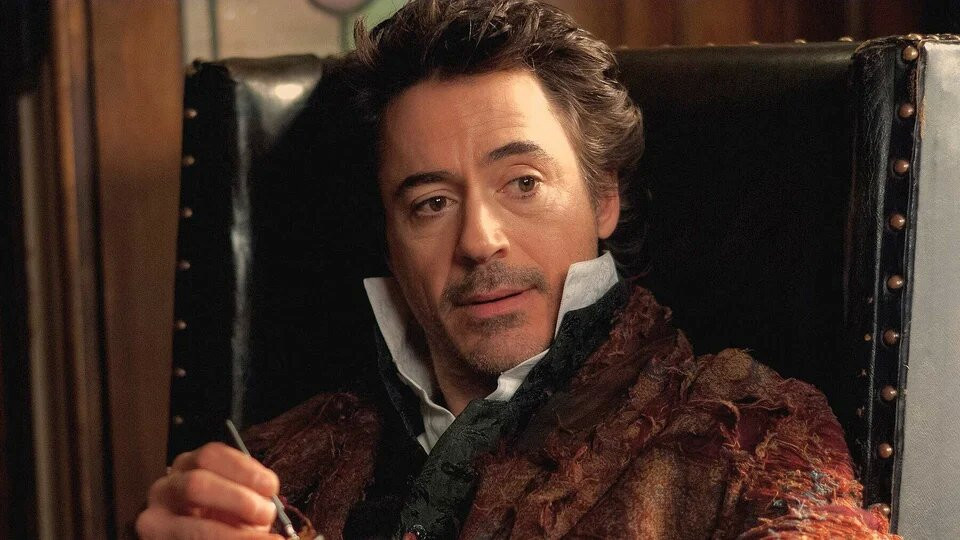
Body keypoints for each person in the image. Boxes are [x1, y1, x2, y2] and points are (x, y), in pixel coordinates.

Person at [136, 1, 897, 538]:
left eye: (523, 183)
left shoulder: (748, 435)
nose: (480, 239)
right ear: (391, 240)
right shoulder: (285, 456)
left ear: (603, 198)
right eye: (431, 202)